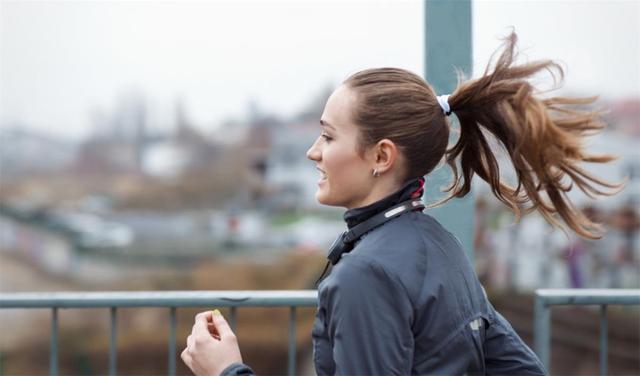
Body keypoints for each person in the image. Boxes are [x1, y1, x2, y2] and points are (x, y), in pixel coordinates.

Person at [181, 31, 622, 375]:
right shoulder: (442, 245)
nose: (312, 151)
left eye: (329, 136)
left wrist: (226, 371)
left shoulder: (364, 275)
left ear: (381, 156)